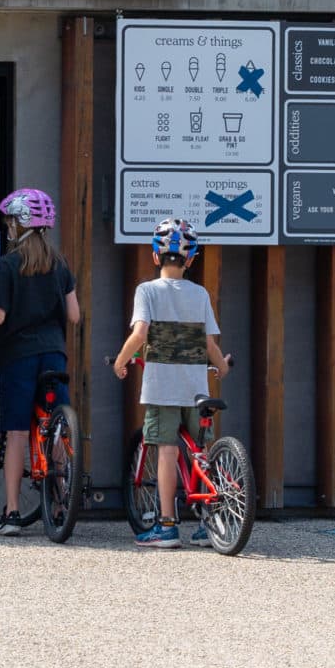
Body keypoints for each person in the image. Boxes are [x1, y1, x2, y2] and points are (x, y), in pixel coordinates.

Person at [113, 217, 230, 548]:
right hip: (196, 388)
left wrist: (121, 362)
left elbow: (140, 334)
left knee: (166, 450)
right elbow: (209, 345)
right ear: (191, 259)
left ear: (155, 257)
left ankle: (166, 525)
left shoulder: (147, 291)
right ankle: (210, 524)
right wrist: (222, 368)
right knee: (200, 450)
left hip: (162, 386)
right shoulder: (200, 294)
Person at [0, 188, 80, 537]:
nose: (7, 226)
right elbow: (74, 314)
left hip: (18, 356)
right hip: (53, 352)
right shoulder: (60, 264)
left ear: (19, 223)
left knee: (18, 433)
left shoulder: (8, 265)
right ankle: (59, 504)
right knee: (55, 429)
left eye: (10, 220)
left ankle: (11, 513)